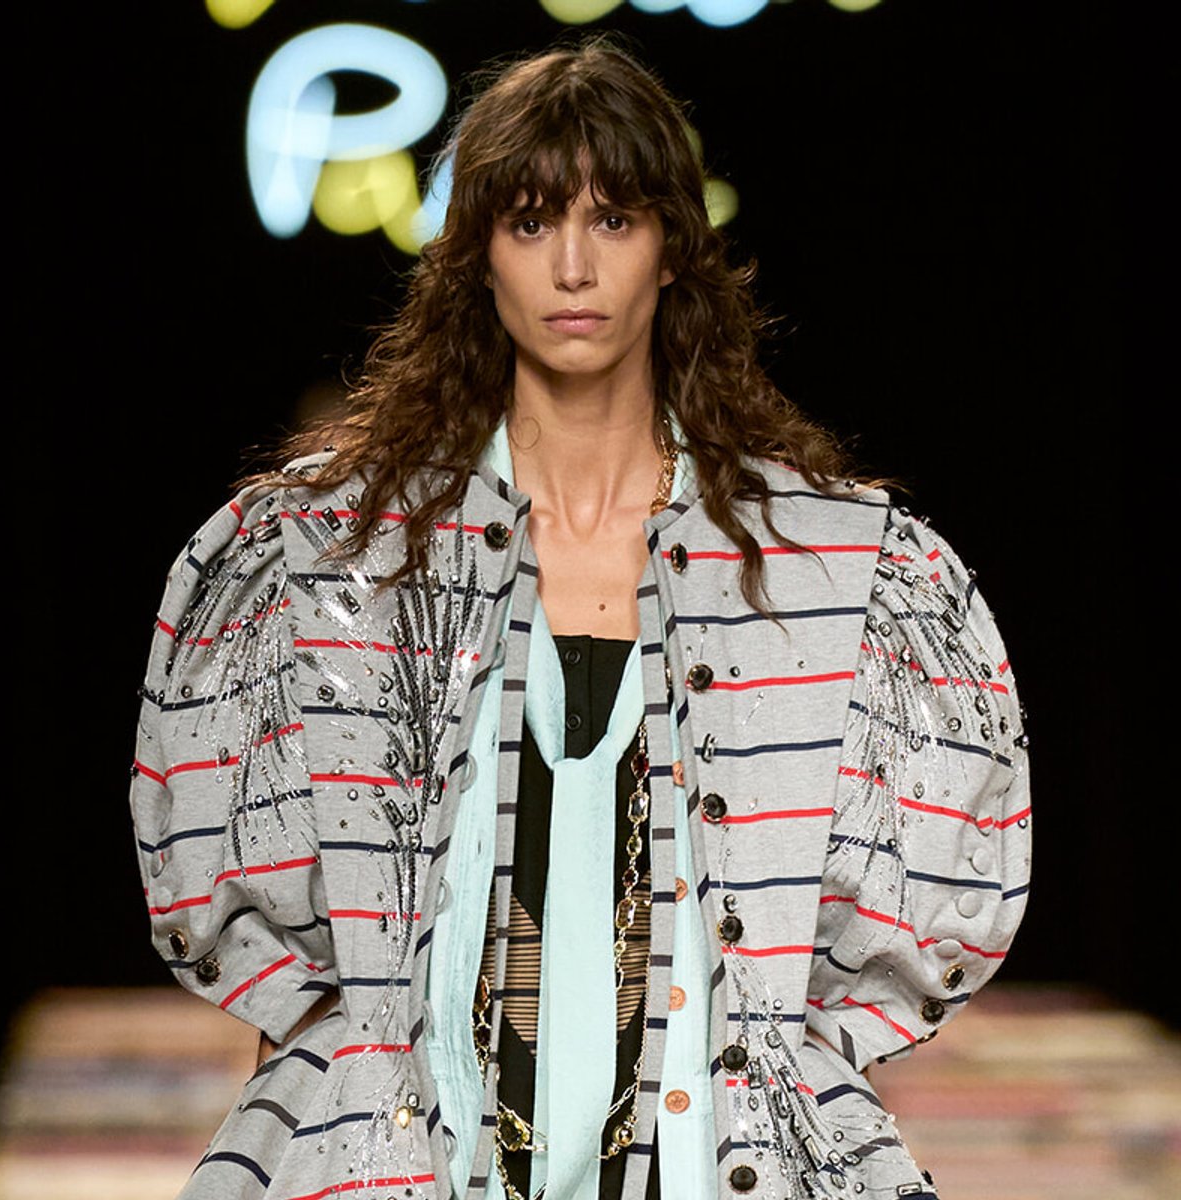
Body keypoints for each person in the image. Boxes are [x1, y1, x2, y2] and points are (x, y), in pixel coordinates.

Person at [129, 38, 1030, 1200]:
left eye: (612, 220)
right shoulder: (339, 567)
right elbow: (307, 989)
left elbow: (854, 987)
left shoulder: (829, 574)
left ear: (672, 248)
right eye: (529, 222)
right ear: (476, 256)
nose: (571, 266)